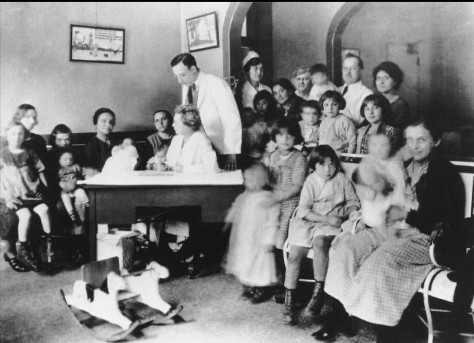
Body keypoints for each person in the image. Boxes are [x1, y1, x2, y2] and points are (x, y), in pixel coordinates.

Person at [314, 118, 466, 342]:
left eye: (421, 139)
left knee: (380, 262)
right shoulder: (401, 165)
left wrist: (403, 211)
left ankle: (388, 332)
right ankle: (341, 317)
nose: (414, 145)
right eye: (410, 140)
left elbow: (442, 219)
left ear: (436, 141)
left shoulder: (445, 173)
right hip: (389, 227)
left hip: (422, 237)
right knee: (346, 249)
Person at [283, 145, 359, 325]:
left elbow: (352, 202)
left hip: (331, 223)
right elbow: (303, 210)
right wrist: (323, 218)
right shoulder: (311, 181)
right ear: (313, 166)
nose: (327, 169)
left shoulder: (341, 180)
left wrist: (352, 212)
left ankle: (318, 293)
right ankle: (289, 300)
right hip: (311, 220)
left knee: (319, 243)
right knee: (294, 255)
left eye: (332, 165)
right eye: (322, 165)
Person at [170, 53, 241, 171]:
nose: (179, 81)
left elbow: (231, 119)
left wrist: (232, 152)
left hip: (221, 149)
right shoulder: (187, 87)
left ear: (193, 69)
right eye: (176, 76)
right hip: (199, 148)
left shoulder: (216, 84)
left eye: (182, 75)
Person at [0, 122, 53, 272]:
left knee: (44, 210)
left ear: (24, 136)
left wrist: (45, 188)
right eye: (13, 134)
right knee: (25, 215)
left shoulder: (30, 152)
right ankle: (23, 248)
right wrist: (4, 194)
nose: (16, 137)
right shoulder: (2, 153)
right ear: (7, 135)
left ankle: (50, 244)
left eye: (20, 134)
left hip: (31, 193)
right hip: (15, 195)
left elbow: (40, 169)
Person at [265, 117, 307, 302]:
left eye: (290, 135)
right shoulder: (273, 156)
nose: (285, 139)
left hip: (291, 204)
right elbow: (270, 180)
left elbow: (297, 185)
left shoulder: (299, 158)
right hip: (274, 204)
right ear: (275, 137)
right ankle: (271, 280)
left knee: (282, 241)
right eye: (281, 135)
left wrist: (277, 197)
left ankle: (288, 285)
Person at [225, 163, 280, 304]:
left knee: (259, 265)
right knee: (245, 262)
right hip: (246, 237)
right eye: (245, 179)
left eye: (249, 180)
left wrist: (269, 240)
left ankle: (261, 289)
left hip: (260, 239)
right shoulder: (245, 196)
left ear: (261, 181)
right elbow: (236, 207)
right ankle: (248, 287)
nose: (245, 183)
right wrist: (229, 219)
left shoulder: (268, 199)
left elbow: (272, 222)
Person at [165, 105, 219, 173]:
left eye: (176, 122)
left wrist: (183, 169)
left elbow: (212, 168)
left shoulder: (201, 139)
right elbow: (171, 163)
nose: (173, 125)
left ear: (189, 123)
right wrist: (161, 164)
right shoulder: (176, 139)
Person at [373, 61, 412, 129]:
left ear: (395, 81)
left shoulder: (401, 105)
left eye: (386, 78)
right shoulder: (373, 101)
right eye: (378, 78)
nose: (381, 82)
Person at [57, 149, 89, 229]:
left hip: (76, 189)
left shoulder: (75, 167)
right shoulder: (59, 171)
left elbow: (80, 175)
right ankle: (71, 214)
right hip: (66, 191)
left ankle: (88, 205)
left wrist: (78, 169)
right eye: (65, 160)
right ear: (59, 161)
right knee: (64, 196)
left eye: (70, 159)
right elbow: (59, 181)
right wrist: (61, 184)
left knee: (81, 192)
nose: (68, 161)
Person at [339, 53, 373, 127]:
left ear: (361, 71)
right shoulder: (338, 90)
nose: (348, 72)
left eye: (353, 68)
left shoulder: (367, 94)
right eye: (345, 68)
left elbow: (363, 124)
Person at [83, 108, 116, 176]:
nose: (108, 125)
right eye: (104, 121)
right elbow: (90, 172)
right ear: (95, 124)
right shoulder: (90, 147)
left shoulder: (117, 142)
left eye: (111, 122)